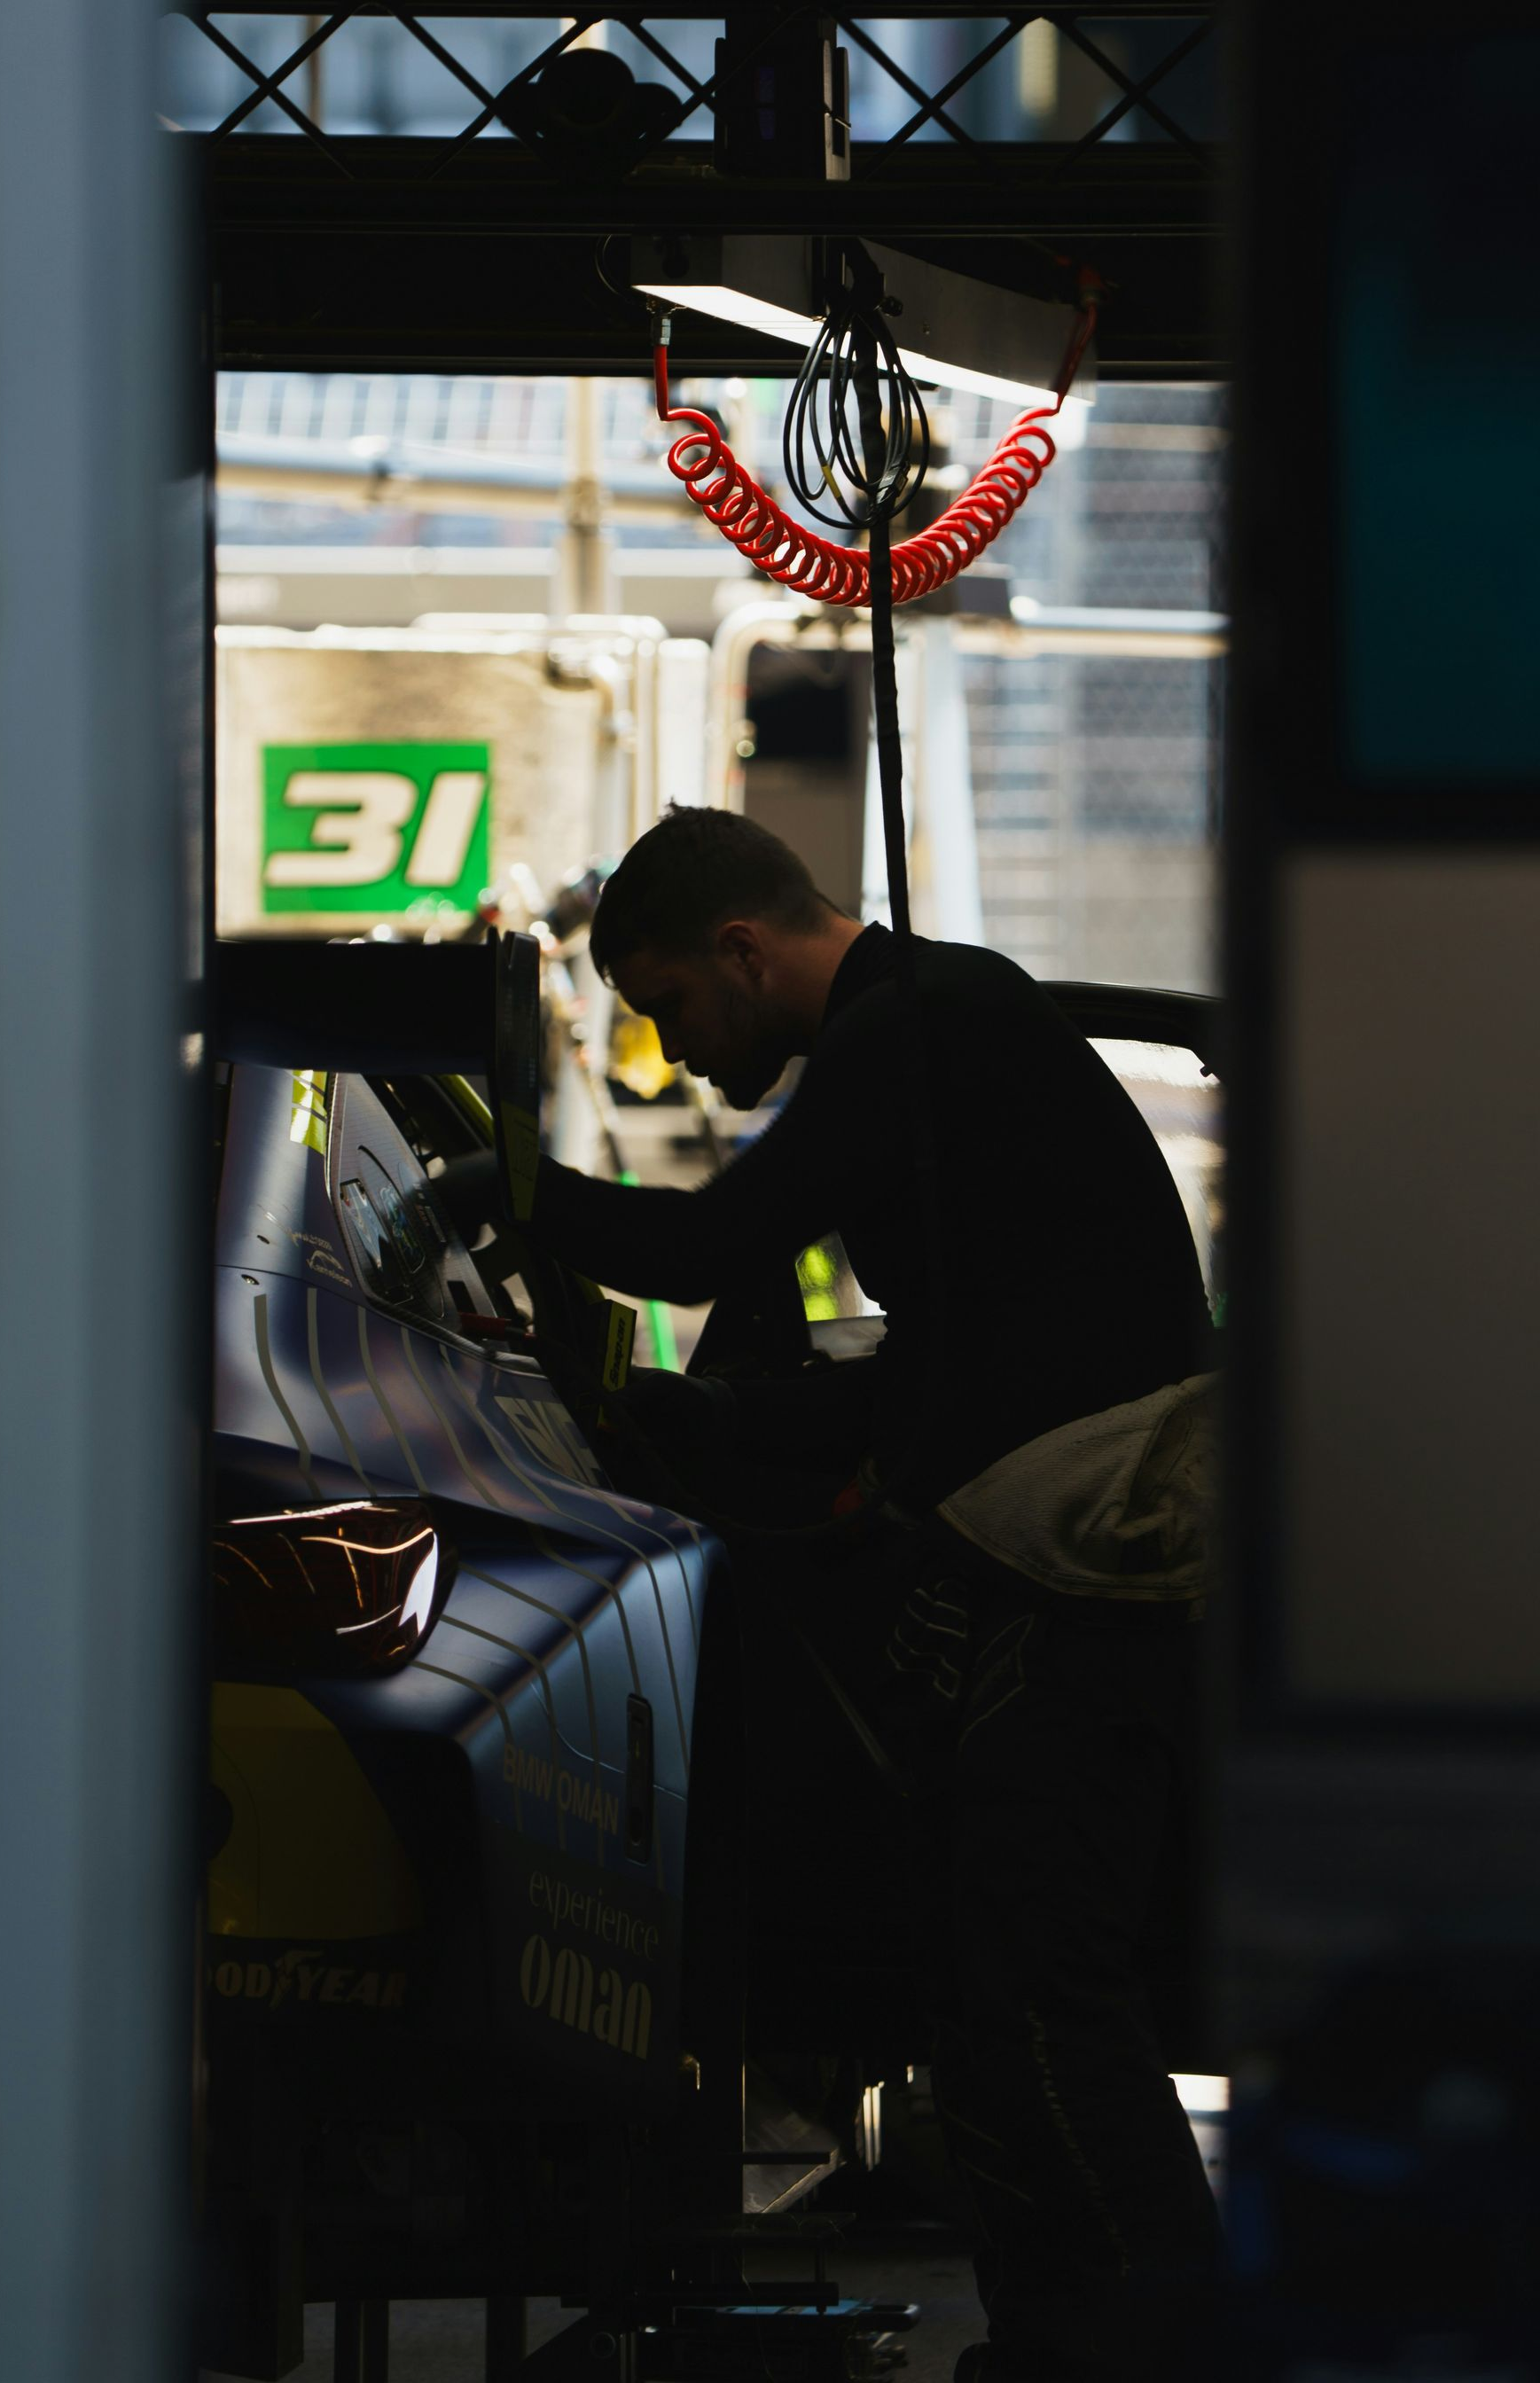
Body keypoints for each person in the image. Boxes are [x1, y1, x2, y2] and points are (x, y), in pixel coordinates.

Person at [442, 807, 1221, 2379]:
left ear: (743, 949)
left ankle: (1159, 2345)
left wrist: (506, 1188)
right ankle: (1067, 2335)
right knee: (989, 1992)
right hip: (1056, 1566)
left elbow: (712, 1241)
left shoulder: (919, 1025)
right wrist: (710, 1424)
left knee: (1039, 1990)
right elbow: (936, 1371)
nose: (671, 1052)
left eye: (671, 1009)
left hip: (1078, 1577)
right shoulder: (941, 1037)